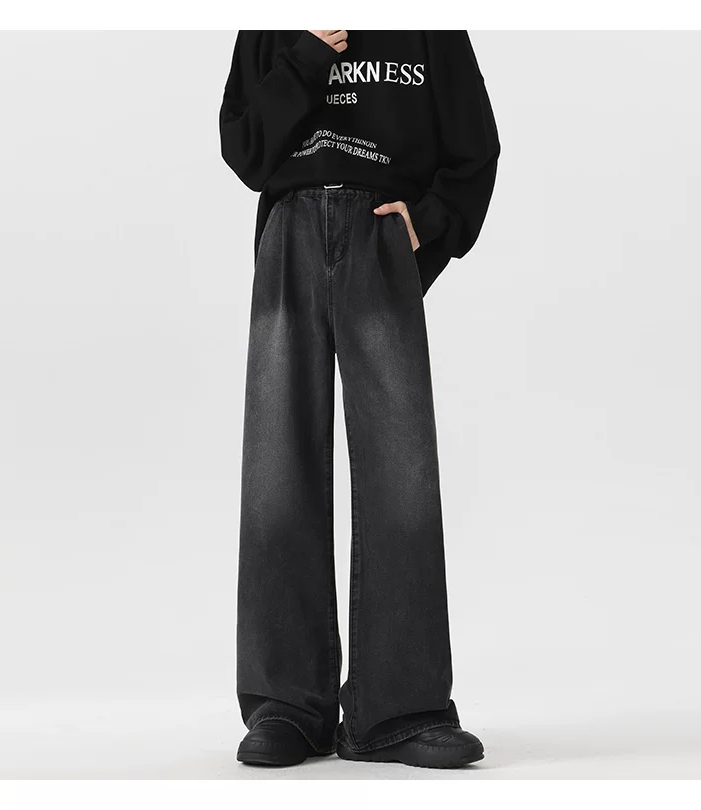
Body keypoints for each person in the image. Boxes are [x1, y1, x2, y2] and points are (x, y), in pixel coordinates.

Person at [219, 29, 500, 769]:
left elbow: (475, 150)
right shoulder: (274, 23)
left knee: (400, 471)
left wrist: (426, 226)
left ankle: (398, 710)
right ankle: (287, 706)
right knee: (278, 469)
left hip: (381, 235)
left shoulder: (430, 26)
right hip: (289, 231)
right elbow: (245, 149)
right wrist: (310, 56)